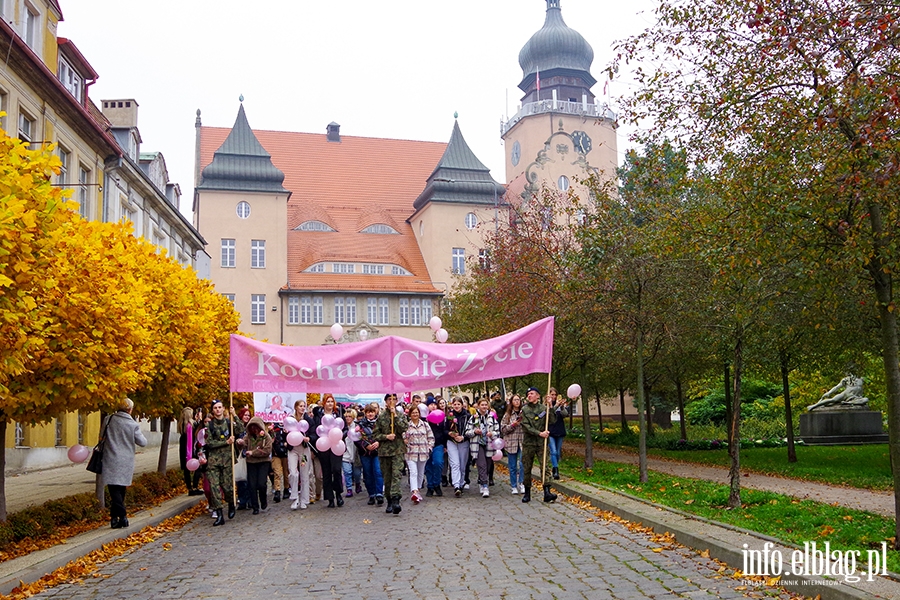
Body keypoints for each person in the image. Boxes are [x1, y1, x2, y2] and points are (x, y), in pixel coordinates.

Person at [102, 397, 147, 529]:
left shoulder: (108, 420)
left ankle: (115, 519)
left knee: (114, 489)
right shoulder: (132, 424)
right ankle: (122, 517)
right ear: (130, 409)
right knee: (120, 490)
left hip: (110, 458)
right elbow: (143, 442)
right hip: (126, 461)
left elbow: (102, 437)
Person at [205, 399, 243, 526]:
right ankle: (219, 514)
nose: (218, 410)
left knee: (227, 487)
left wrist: (235, 415)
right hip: (214, 461)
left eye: (220, 407)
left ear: (223, 409)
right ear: (212, 410)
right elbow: (209, 443)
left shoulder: (229, 423)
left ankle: (231, 503)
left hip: (227, 460)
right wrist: (225, 442)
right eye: (215, 408)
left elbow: (241, 429)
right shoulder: (209, 426)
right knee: (214, 488)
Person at [520, 386, 557, 503]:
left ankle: (547, 491)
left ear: (538, 396)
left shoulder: (543, 408)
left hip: (541, 444)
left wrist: (550, 406)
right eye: (528, 394)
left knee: (545, 466)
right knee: (527, 467)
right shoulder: (524, 410)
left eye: (532, 393)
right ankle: (527, 492)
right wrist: (539, 433)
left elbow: (552, 421)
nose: (529, 396)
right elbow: (526, 426)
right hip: (529, 443)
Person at [374, 393, 408, 514]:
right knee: (387, 477)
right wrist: (386, 436)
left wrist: (396, 415)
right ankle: (388, 499)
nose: (392, 402)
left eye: (394, 399)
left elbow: (404, 427)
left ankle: (396, 499)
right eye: (390, 399)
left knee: (396, 474)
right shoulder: (381, 417)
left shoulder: (400, 415)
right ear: (386, 402)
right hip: (384, 451)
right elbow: (375, 434)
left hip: (397, 450)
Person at [310, 394, 346, 508]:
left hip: (336, 446)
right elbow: (315, 430)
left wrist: (340, 437)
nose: (330, 404)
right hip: (324, 446)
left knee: (336, 470)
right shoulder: (318, 416)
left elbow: (344, 429)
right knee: (326, 472)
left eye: (331, 401)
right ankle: (330, 498)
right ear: (324, 403)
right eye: (328, 401)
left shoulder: (338, 414)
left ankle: (339, 494)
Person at [466, 398, 500, 498]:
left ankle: (482, 481)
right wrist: (474, 432)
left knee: (488, 465)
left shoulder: (492, 418)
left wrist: (492, 433)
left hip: (489, 444)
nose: (484, 407)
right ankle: (485, 486)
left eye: (486, 405)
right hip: (477, 444)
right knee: (481, 464)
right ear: (478, 406)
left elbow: (497, 432)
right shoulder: (473, 418)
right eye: (482, 405)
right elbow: (467, 432)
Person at [238, 416, 272, 514]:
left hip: (263, 462)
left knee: (261, 483)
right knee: (251, 485)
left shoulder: (266, 436)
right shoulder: (248, 436)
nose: (254, 429)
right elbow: (243, 444)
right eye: (252, 427)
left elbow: (267, 450)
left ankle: (263, 500)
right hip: (251, 463)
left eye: (256, 427)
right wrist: (240, 443)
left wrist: (253, 452)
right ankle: (255, 506)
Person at [403, 402, 434, 504]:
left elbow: (431, 437)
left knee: (421, 473)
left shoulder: (425, 425)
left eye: (416, 413)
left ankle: (418, 490)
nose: (415, 414)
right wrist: (405, 442)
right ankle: (414, 491)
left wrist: (429, 448)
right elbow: (403, 437)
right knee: (413, 472)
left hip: (423, 452)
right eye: (413, 413)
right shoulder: (407, 426)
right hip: (411, 453)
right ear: (410, 415)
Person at [355, 403, 385, 506]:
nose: (370, 414)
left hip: (377, 452)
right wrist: (366, 445)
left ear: (375, 412)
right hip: (365, 452)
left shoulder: (380, 423)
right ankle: (371, 494)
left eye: (372, 412)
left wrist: (379, 442)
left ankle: (379, 493)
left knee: (378, 471)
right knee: (368, 474)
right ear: (365, 413)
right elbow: (356, 439)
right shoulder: (360, 425)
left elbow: (384, 435)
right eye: (368, 412)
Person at [287, 399, 312, 510]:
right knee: (293, 473)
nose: (302, 408)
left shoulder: (308, 420)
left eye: (304, 406)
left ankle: (304, 499)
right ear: (296, 407)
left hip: (304, 450)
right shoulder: (290, 419)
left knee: (304, 474)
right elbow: (285, 435)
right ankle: (294, 497)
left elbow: (313, 433)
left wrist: (309, 438)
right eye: (300, 406)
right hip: (293, 449)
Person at [445, 396, 472, 497]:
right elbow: (445, 429)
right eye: (455, 404)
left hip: (463, 442)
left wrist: (463, 437)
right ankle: (456, 485)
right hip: (452, 442)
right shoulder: (450, 416)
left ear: (462, 405)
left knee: (462, 464)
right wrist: (450, 434)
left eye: (458, 404)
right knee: (455, 463)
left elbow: (470, 430)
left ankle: (461, 483)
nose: (456, 406)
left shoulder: (467, 416)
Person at [500, 394, 525, 494]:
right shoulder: (508, 415)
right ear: (511, 402)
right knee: (513, 466)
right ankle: (513, 485)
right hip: (511, 442)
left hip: (522, 442)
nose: (517, 402)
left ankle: (522, 483)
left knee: (523, 464)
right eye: (515, 400)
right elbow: (503, 429)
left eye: (518, 400)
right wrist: (513, 425)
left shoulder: (524, 413)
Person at [424, 397, 448, 497]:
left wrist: (445, 445)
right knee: (428, 466)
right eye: (431, 405)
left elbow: (444, 431)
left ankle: (437, 483)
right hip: (426, 446)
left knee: (438, 463)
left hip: (438, 444)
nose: (433, 406)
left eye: (434, 404)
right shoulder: (424, 419)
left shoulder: (441, 417)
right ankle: (430, 486)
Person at [177, 407, 203, 496]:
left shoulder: (181, 425)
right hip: (190, 449)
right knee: (198, 466)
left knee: (186, 470)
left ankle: (189, 488)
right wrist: (199, 420)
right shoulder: (190, 425)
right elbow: (198, 430)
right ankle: (195, 486)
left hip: (184, 449)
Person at [546, 387, 569, 480]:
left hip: (559, 429)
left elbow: (565, 414)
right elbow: (549, 414)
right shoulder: (546, 405)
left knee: (558, 452)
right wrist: (555, 406)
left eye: (555, 395)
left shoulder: (559, 404)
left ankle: (554, 465)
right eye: (552, 394)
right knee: (553, 451)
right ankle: (556, 470)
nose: (554, 396)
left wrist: (562, 406)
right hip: (551, 430)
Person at [341, 408, 362, 498]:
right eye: (346, 416)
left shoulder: (357, 427)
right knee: (347, 472)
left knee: (357, 473)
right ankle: (349, 488)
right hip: (345, 453)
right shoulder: (342, 427)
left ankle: (357, 484)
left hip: (356, 453)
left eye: (350, 416)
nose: (348, 418)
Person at [269, 421, 290, 503]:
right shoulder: (273, 429)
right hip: (276, 453)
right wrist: (270, 432)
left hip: (285, 453)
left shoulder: (288, 427)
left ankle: (286, 488)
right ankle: (277, 491)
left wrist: (286, 434)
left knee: (286, 472)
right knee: (277, 472)